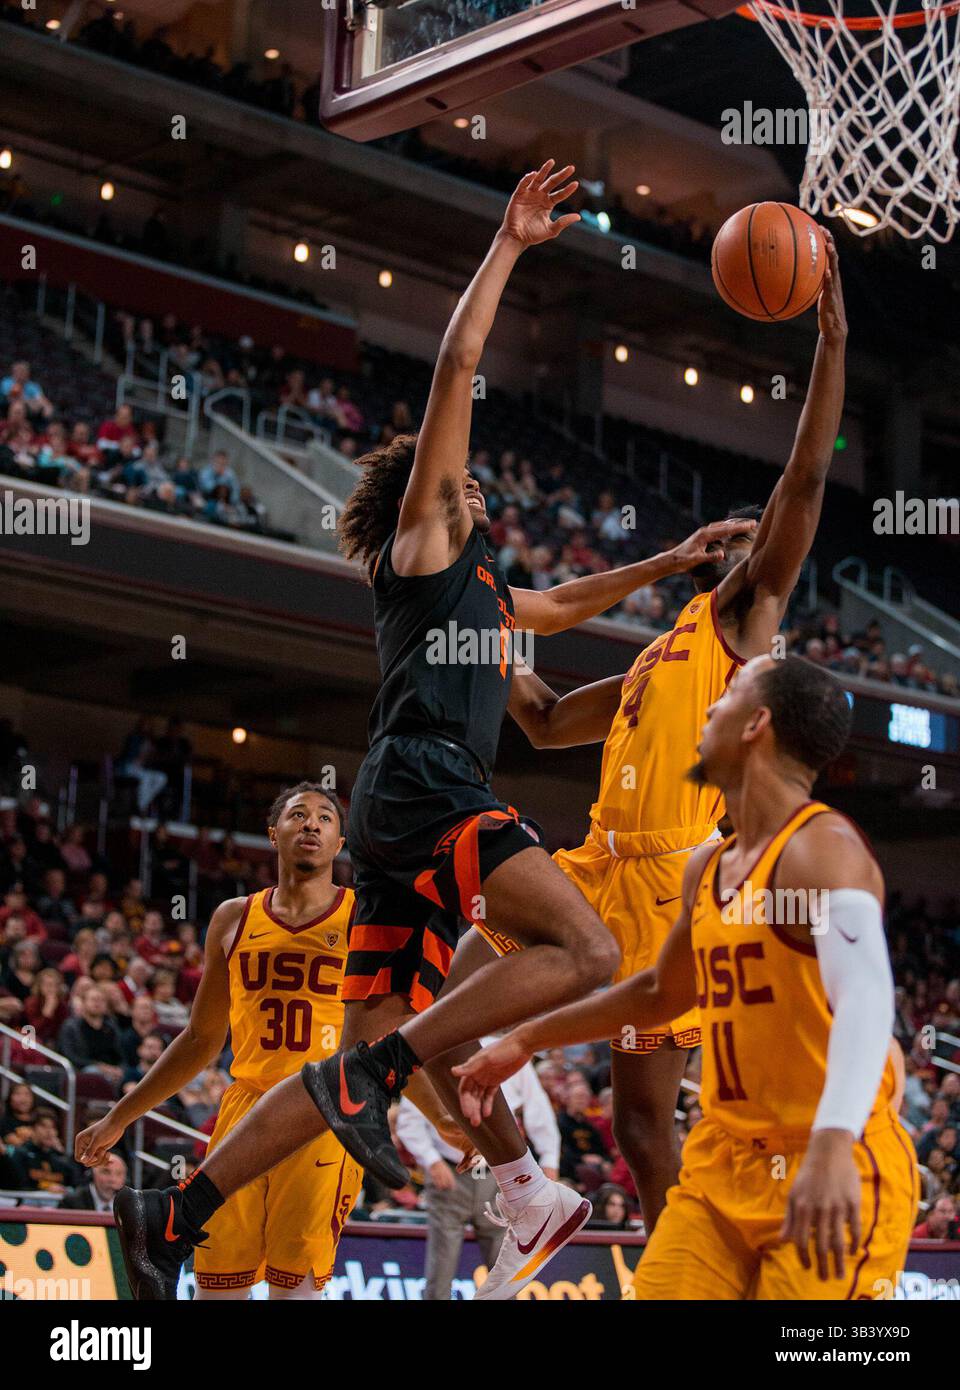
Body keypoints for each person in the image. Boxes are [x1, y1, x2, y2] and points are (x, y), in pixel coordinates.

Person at [100, 162, 747, 1303]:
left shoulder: (489, 604)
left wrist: (666, 602)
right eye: (467, 483)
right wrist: (507, 244)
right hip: (424, 784)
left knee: (381, 1042)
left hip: (405, 809)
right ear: (435, 494)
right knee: (591, 952)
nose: (483, 493)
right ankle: (407, 1098)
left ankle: (178, 1210)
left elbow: (549, 704)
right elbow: (456, 366)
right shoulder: (426, 549)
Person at [498, 230, 848, 1237]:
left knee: (644, 1123)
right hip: (595, 866)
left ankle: (678, 1257)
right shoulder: (666, 649)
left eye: (753, 536)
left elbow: (806, 487)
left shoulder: (741, 631)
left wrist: (829, 335)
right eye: (733, 533)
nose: (743, 542)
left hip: (665, 881)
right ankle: (530, 1185)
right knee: (610, 1102)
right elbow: (547, 717)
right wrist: (475, 620)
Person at [456, 656, 919, 1300]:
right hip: (723, 1163)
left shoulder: (821, 847)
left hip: (827, 1151)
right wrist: (527, 1038)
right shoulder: (709, 868)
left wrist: (836, 1145)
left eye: (725, 701)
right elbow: (657, 994)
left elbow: (869, 1002)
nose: (707, 710)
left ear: (757, 725)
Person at [76, 785, 360, 1299]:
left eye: (325, 818)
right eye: (299, 815)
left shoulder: (362, 916)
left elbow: (398, 1025)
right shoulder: (234, 917)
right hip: (244, 1114)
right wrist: (121, 1114)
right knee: (217, 1287)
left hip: (322, 1113)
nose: (312, 824)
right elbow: (202, 1037)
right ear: (275, 835)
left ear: (340, 841)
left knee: (295, 1292)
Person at [394, 1036, 560, 1300]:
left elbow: (538, 1110)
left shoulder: (507, 1048)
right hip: (451, 1172)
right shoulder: (438, 1047)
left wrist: (550, 1160)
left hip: (499, 1175)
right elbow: (409, 1119)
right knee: (441, 1265)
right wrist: (431, 1160)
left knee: (503, 1267)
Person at [59, 1151, 127, 1212]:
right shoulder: (71, 1203)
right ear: (93, 1174)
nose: (112, 1179)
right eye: (106, 1172)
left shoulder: (129, 1206)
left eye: (119, 1173)